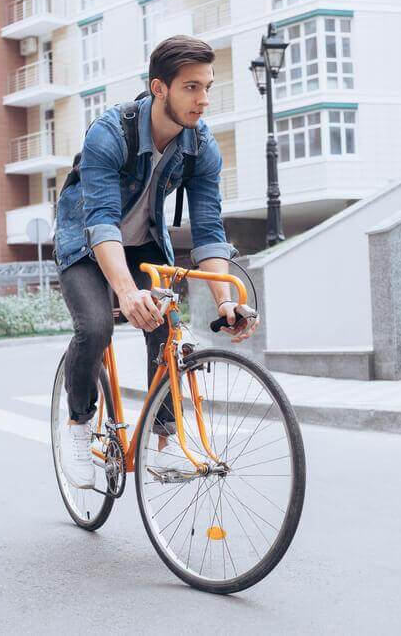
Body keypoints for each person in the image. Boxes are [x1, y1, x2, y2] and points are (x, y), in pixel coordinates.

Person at [54, 35, 258, 489]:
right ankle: (77, 424)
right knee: (95, 327)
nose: (203, 99)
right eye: (191, 87)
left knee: (167, 328)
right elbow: (102, 222)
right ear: (159, 88)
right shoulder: (110, 132)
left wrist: (225, 303)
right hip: (87, 240)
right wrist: (126, 294)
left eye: (207, 86)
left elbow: (209, 231)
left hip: (143, 242)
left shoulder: (201, 147)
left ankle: (164, 447)